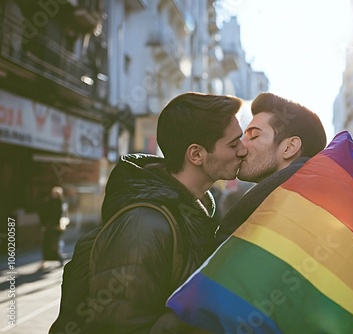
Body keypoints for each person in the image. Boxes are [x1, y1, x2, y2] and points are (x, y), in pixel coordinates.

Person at [51, 92, 247, 333]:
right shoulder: (144, 226)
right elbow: (119, 326)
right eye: (233, 143)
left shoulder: (195, 211)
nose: (243, 150)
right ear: (196, 154)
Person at [215, 92, 327, 244]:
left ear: (289, 147)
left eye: (253, 136)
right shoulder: (300, 206)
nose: (240, 147)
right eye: (243, 137)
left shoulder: (292, 217)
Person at [38, 186, 65, 270]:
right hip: (50, 226)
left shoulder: (60, 202)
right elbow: (43, 213)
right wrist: (44, 224)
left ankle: (59, 259)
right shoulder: (49, 202)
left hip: (56, 226)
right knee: (48, 244)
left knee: (55, 244)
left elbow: (60, 214)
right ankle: (45, 261)